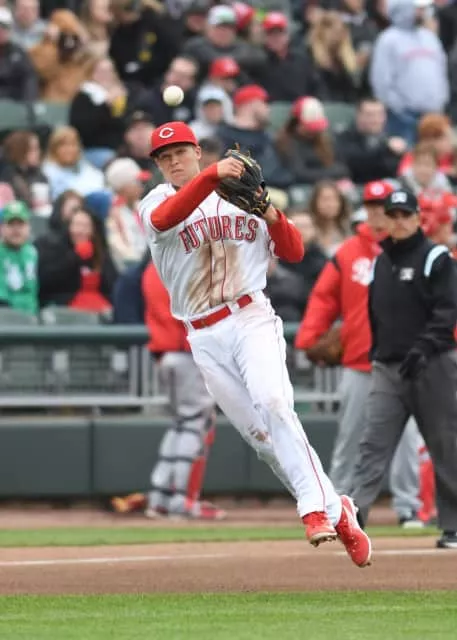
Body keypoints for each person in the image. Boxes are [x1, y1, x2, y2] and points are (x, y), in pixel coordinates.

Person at [138, 120, 372, 567]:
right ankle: (337, 508)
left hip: (250, 317)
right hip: (203, 334)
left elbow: (294, 251)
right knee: (263, 439)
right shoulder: (156, 202)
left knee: (275, 403)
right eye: (164, 157)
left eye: (180, 152)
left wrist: (268, 211)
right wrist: (213, 175)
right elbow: (168, 219)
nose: (173, 161)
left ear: (197, 152)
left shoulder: (239, 197)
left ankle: (312, 510)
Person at [295, 181, 424, 527]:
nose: (378, 213)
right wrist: (308, 336)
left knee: (407, 440)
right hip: (359, 360)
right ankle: (337, 506)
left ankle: (408, 506)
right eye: (372, 206)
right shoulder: (348, 252)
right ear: (364, 210)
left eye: (384, 207)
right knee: (350, 437)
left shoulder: (414, 251)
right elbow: (324, 297)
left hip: (405, 363)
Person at [350, 188, 457, 548]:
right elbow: (376, 313)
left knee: (445, 446)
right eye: (392, 215)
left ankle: (454, 526)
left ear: (417, 218)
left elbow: (448, 309)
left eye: (404, 215)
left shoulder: (436, 257)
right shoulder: (382, 261)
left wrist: (424, 348)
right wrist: (378, 352)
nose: (398, 222)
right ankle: (354, 521)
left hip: (432, 365)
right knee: (371, 445)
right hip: (389, 367)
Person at [0, 201, 38, 315]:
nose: (16, 229)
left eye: (20, 224)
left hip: (33, 316)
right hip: (6, 317)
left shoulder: (33, 253)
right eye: (11, 224)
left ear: (28, 227)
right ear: (2, 228)